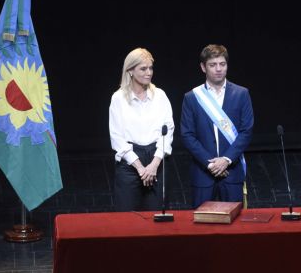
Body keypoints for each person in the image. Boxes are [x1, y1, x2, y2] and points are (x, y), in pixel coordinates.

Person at [180, 44, 254, 207]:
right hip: (203, 174)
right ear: (203, 67)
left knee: (236, 221)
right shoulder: (192, 97)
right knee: (202, 221)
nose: (218, 69)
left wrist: (226, 160)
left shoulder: (241, 94)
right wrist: (211, 164)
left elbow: (246, 131)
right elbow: (187, 135)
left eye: (222, 64)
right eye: (213, 65)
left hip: (232, 172)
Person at [108, 48, 174, 211]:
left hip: (157, 159)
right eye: (143, 69)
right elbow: (117, 137)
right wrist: (140, 167)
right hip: (129, 163)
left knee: (157, 216)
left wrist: (154, 165)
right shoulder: (118, 98)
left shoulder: (160, 95)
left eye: (150, 68)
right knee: (127, 218)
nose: (149, 73)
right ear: (130, 70)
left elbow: (168, 131)